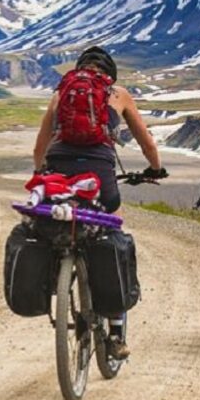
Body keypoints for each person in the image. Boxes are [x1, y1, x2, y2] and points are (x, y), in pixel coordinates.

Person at [32, 45, 164, 359]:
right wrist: (155, 168)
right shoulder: (118, 94)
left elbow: (40, 147)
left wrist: (41, 172)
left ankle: (56, 276)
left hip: (59, 168)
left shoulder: (59, 93)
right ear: (109, 74)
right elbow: (146, 142)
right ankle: (116, 332)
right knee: (113, 233)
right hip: (100, 171)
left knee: (54, 222)